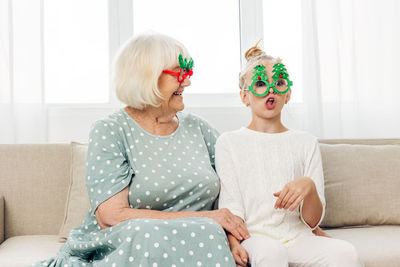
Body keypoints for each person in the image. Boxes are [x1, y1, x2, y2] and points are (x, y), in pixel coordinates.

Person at [32, 33, 248, 267]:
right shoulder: (110, 130)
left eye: (188, 72)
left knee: (204, 231)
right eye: (180, 73)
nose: (187, 81)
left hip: (202, 238)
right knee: (148, 233)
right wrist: (207, 218)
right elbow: (111, 217)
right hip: (133, 240)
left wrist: (230, 237)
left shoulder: (199, 128)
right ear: (148, 78)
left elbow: (232, 191)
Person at [215, 43, 362, 267]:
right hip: (256, 239)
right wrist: (234, 243)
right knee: (272, 253)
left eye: (279, 83)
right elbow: (231, 206)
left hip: (298, 239)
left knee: (345, 253)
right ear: (245, 97)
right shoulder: (229, 142)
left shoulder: (306, 142)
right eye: (261, 84)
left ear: (288, 93)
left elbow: (312, 220)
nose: (271, 90)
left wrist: (309, 186)